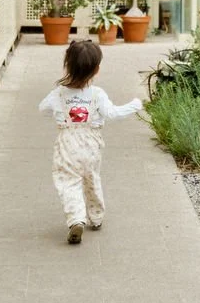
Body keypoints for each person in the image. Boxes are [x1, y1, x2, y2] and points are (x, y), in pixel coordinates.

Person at [38, 40, 144, 244]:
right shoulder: (97, 94)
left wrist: (58, 114)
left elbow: (42, 109)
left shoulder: (59, 93)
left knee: (69, 182)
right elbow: (112, 113)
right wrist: (135, 104)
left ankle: (76, 219)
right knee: (91, 177)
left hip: (67, 143)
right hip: (91, 144)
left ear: (68, 65)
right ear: (96, 69)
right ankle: (96, 217)